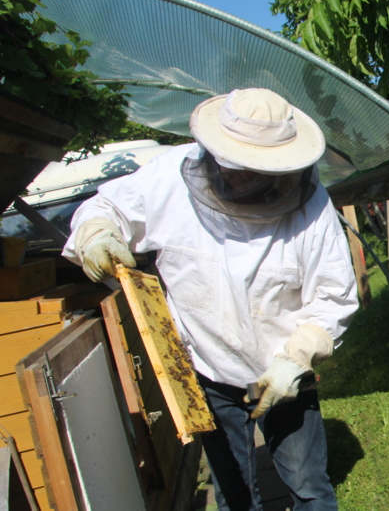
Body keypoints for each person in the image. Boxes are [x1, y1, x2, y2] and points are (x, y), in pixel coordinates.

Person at [63, 88, 359, 511]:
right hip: (206, 368)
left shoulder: (312, 208)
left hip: (283, 371)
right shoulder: (168, 177)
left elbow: (334, 297)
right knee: (233, 493)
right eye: (232, 166)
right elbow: (107, 206)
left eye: (252, 171)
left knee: (308, 483)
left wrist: (296, 359)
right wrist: (96, 233)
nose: (237, 178)